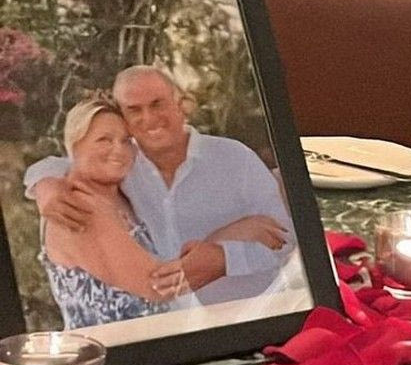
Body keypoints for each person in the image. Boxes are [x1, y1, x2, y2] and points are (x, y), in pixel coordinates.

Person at [27, 66, 296, 305]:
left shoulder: (234, 158)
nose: (149, 118)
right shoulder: (123, 165)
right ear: (123, 117)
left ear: (180, 105)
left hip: (255, 309)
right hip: (177, 322)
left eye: (157, 104)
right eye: (134, 110)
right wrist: (45, 186)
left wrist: (226, 258)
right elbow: (73, 161)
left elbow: (288, 240)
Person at [40, 98, 185, 328]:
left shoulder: (125, 197)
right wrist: (223, 259)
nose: (119, 150)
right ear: (75, 145)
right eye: (104, 140)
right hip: (114, 349)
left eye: (126, 141)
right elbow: (158, 285)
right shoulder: (75, 206)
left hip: (158, 339)